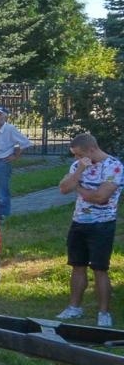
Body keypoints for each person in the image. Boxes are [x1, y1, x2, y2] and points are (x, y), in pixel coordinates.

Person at [55, 131, 121, 327]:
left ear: (91, 150)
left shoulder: (114, 166)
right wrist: (78, 172)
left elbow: (101, 197)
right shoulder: (78, 166)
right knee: (77, 265)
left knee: (100, 268)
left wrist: (79, 189)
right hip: (79, 222)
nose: (76, 158)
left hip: (102, 224)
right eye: (74, 155)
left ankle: (104, 312)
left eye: (78, 154)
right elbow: (63, 188)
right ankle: (74, 307)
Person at [0, 105, 31, 222]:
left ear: (5, 116)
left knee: (2, 192)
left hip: (1, 163)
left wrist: (15, 156)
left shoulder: (10, 129)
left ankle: (4, 216)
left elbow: (25, 143)